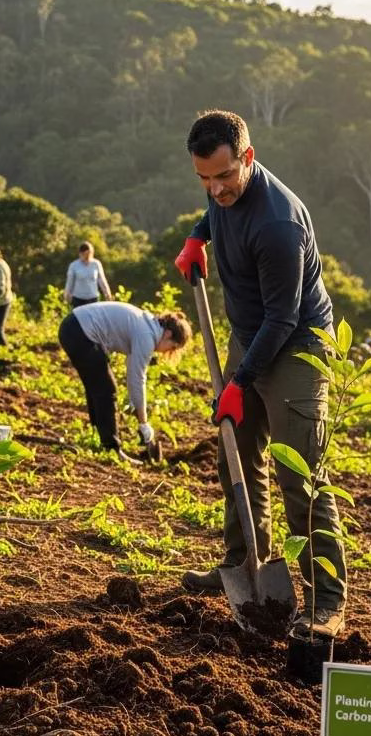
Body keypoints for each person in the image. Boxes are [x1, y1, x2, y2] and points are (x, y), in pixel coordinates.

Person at [174, 109, 347, 638]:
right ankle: (244, 564)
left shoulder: (279, 225)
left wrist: (240, 382)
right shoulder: (220, 187)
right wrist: (198, 237)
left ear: (247, 159)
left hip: (294, 347)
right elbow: (217, 211)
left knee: (300, 476)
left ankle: (326, 601)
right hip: (249, 336)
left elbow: (284, 318)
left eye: (223, 177)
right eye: (203, 178)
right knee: (236, 458)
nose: (214, 188)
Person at [58, 301, 191, 462]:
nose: (166, 352)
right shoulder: (147, 336)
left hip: (73, 326)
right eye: (172, 348)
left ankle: (98, 435)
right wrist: (144, 423)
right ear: (168, 334)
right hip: (79, 331)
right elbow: (137, 379)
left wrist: (138, 409)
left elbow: (132, 373)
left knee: (97, 384)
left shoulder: (146, 324)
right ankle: (112, 449)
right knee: (107, 391)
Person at [64, 242, 113, 308]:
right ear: (80, 253)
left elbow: (102, 280)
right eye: (84, 254)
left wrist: (107, 293)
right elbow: (69, 282)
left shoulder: (96, 264)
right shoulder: (74, 266)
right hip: (78, 299)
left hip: (93, 299)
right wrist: (67, 294)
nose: (86, 256)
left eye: (88, 254)